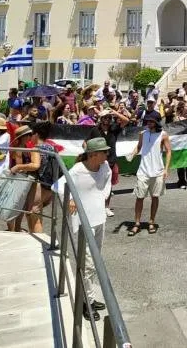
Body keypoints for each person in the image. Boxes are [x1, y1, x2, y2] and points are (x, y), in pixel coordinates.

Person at [56, 137, 112, 321]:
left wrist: (102, 196)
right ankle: (86, 302)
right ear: (93, 154)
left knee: (95, 261)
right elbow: (59, 186)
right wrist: (71, 199)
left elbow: (107, 183)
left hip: (99, 219)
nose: (107, 154)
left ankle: (90, 297)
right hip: (82, 222)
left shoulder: (104, 167)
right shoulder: (78, 170)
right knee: (87, 264)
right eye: (104, 152)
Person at [128, 111, 171, 235]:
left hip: (158, 172)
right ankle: (137, 223)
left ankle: (151, 222)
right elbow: (139, 147)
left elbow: (169, 151)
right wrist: (132, 154)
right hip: (143, 171)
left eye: (151, 121)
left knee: (155, 197)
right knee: (139, 197)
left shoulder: (163, 135)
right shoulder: (143, 134)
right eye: (148, 121)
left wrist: (166, 169)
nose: (149, 123)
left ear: (156, 122)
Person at [86, 108, 129, 217]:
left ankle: (106, 207)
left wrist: (115, 112)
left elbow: (126, 121)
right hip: (97, 163)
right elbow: (85, 143)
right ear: (101, 119)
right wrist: (90, 155)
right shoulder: (95, 130)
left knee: (108, 186)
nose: (107, 119)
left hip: (111, 162)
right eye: (105, 117)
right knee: (95, 184)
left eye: (109, 118)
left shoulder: (114, 128)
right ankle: (95, 206)